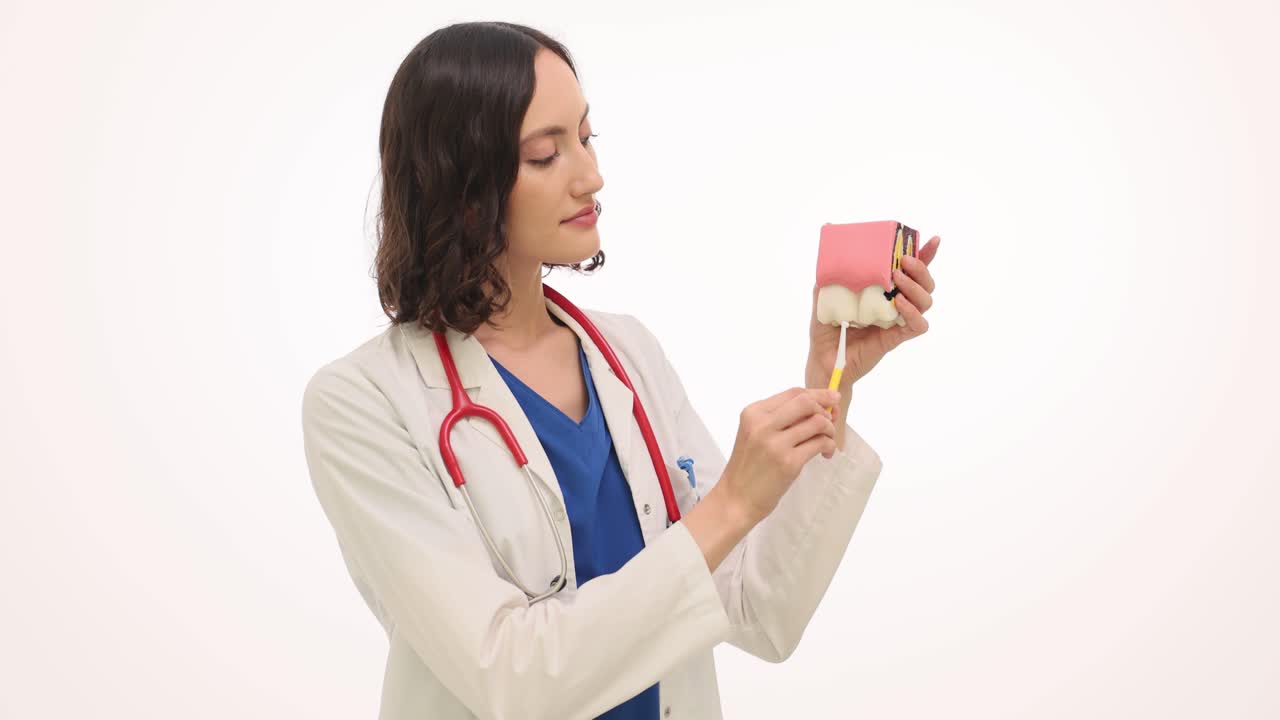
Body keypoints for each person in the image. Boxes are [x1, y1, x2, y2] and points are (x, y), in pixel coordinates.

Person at [300, 20, 940, 720]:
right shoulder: (361, 404)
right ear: (462, 189)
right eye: (546, 155)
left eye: (585, 137)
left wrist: (830, 378)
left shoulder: (628, 357)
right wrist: (730, 503)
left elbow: (759, 611)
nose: (591, 176)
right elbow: (511, 678)